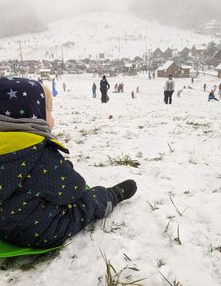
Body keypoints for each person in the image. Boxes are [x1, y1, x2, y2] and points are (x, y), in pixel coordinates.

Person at [0, 77, 137, 249]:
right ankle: (111, 196)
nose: (52, 117)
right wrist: (64, 170)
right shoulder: (39, 154)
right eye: (49, 110)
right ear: (35, 114)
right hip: (35, 233)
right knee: (84, 204)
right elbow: (74, 190)